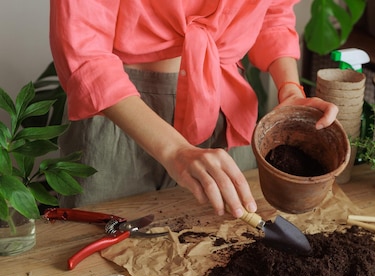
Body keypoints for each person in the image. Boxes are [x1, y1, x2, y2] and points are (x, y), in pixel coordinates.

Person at [49, 1, 338, 219]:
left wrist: (289, 88)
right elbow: (84, 53)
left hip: (225, 105)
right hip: (119, 113)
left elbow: (272, 13)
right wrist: (176, 151)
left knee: (223, 247)